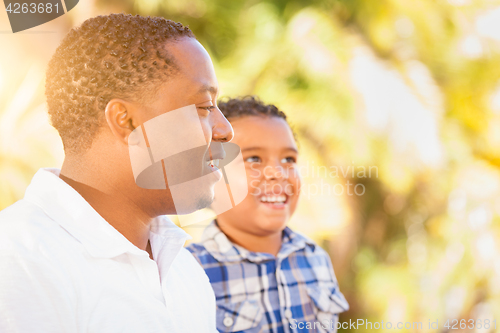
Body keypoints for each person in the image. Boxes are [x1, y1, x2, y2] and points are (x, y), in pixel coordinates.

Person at [0, 14, 233, 333]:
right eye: (204, 107)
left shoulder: (185, 273)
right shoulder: (19, 261)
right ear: (126, 121)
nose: (225, 129)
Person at [187, 96, 349, 333]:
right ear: (209, 175)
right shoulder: (190, 273)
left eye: (288, 159)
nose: (278, 173)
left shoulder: (316, 258)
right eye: (254, 159)